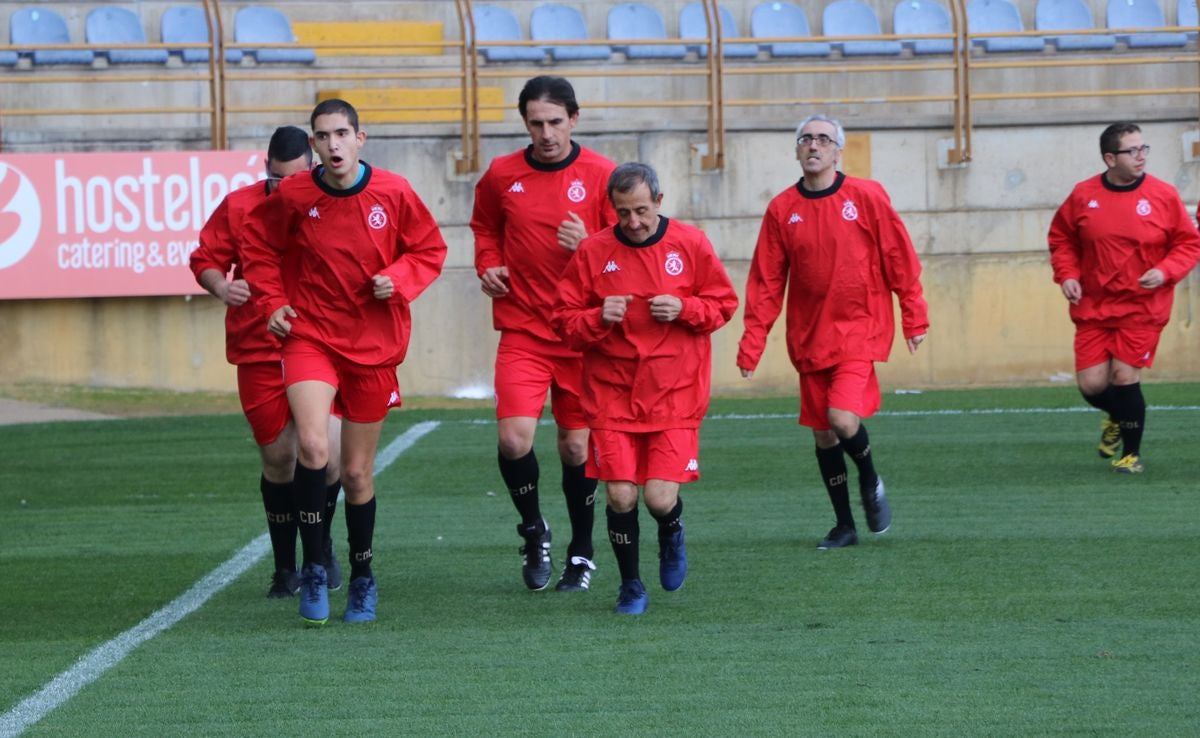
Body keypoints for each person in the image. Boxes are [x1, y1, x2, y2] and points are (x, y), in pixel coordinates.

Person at [241, 99, 447, 625]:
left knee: (355, 474)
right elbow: (258, 248)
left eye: (341, 134)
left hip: (374, 345)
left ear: (361, 138)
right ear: (312, 144)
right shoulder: (294, 194)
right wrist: (271, 302)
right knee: (311, 444)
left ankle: (361, 576)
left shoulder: (394, 192)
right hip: (310, 334)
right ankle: (313, 569)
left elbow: (429, 250)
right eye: (322, 136)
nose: (332, 144)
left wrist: (397, 280)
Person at [736, 114, 929, 551]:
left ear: (838, 150)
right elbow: (766, 282)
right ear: (797, 150)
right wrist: (752, 343)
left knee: (842, 418)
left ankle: (868, 474)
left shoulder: (866, 196)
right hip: (809, 337)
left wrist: (913, 314)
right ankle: (844, 524)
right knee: (823, 433)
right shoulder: (782, 209)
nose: (814, 145)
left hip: (860, 329)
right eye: (806, 138)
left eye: (824, 139)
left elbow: (899, 255)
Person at [553, 162, 738, 615]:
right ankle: (630, 585)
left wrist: (685, 307)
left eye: (640, 211)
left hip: (675, 393)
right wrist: (597, 317)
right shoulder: (595, 252)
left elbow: (723, 305)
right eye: (622, 213)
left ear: (659, 201)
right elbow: (563, 321)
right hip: (611, 394)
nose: (632, 222)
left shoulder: (690, 244)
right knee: (620, 495)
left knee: (658, 497)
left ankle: (671, 530)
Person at [470, 76, 617, 592]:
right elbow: (485, 226)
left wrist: (593, 244)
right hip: (525, 329)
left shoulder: (602, 175)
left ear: (574, 120)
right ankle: (534, 530)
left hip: (581, 335)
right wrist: (487, 263)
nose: (547, 133)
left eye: (556, 122)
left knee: (576, 450)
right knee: (514, 439)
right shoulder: (502, 173)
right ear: (525, 123)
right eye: (536, 123)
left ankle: (581, 553)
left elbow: (628, 251)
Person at [190, 126, 344, 599]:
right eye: (278, 180)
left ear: (315, 165)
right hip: (260, 349)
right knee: (279, 459)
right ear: (266, 172)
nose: (288, 188)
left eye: (297, 177)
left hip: (322, 345)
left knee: (328, 457)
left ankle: (319, 550)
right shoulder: (240, 206)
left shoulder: (337, 204)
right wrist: (222, 286)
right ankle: (285, 567)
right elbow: (205, 259)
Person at [1048, 122, 1200, 473]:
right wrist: (1067, 275)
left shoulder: (1162, 195)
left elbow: (1188, 243)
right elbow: (1062, 239)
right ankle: (1116, 418)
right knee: (1091, 384)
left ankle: (1130, 455)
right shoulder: (1083, 195)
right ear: (1110, 158)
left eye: (1144, 149)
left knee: (1123, 376)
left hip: (1143, 306)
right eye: (1132, 151)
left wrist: (1165, 271)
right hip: (1094, 305)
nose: (1141, 156)